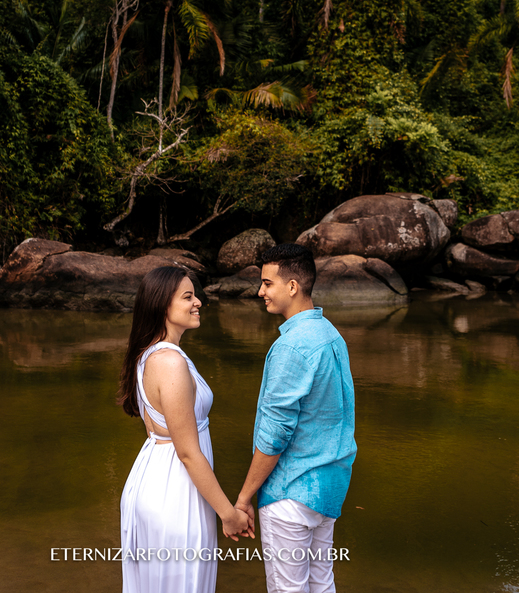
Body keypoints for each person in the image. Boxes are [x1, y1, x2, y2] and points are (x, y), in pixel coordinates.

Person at [118, 265, 252, 593]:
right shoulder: (170, 363)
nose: (198, 303)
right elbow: (188, 453)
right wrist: (228, 514)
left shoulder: (150, 354)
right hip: (175, 492)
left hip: (158, 478)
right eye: (188, 297)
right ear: (162, 305)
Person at [235, 243, 356, 593]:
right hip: (329, 487)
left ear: (292, 286)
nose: (260, 292)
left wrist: (244, 498)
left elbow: (275, 435)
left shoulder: (291, 346)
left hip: (291, 492)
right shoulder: (330, 334)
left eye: (267, 283)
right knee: (321, 583)